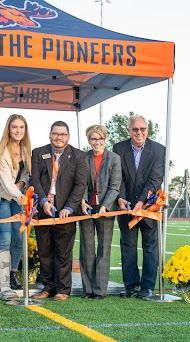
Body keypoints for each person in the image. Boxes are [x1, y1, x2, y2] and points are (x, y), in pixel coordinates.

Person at [29, 121, 87, 301]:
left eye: (62, 134)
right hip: (43, 210)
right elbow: (35, 180)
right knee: (45, 251)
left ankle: (63, 290)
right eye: (55, 134)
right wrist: (44, 201)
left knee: (63, 252)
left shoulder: (78, 156)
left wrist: (70, 208)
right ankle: (48, 287)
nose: (59, 137)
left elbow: (80, 185)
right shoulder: (38, 153)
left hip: (66, 213)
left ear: (68, 136)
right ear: (50, 134)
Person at [113, 114, 165, 299]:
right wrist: (121, 198)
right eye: (134, 129)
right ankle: (130, 285)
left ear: (147, 130)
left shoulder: (159, 150)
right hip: (126, 206)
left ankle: (147, 287)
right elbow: (118, 177)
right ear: (128, 131)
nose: (139, 132)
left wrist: (141, 203)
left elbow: (155, 180)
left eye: (142, 129)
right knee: (128, 245)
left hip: (148, 207)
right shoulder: (118, 148)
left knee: (150, 246)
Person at [0, 114, 31, 292]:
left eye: (21, 127)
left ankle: (12, 273)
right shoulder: (1, 151)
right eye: (14, 127)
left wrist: (21, 186)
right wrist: (24, 198)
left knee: (20, 236)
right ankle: (2, 281)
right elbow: (6, 183)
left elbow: (27, 174)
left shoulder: (27, 149)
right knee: (5, 238)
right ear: (8, 129)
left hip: (18, 194)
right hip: (1, 196)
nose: (18, 130)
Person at [79, 125, 121, 300]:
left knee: (104, 249)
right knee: (87, 248)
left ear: (105, 139)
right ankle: (88, 290)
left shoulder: (114, 158)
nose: (97, 142)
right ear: (89, 140)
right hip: (86, 208)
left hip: (106, 209)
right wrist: (82, 201)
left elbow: (115, 186)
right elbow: (80, 182)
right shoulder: (83, 157)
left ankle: (99, 291)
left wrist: (105, 206)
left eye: (100, 139)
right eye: (94, 139)